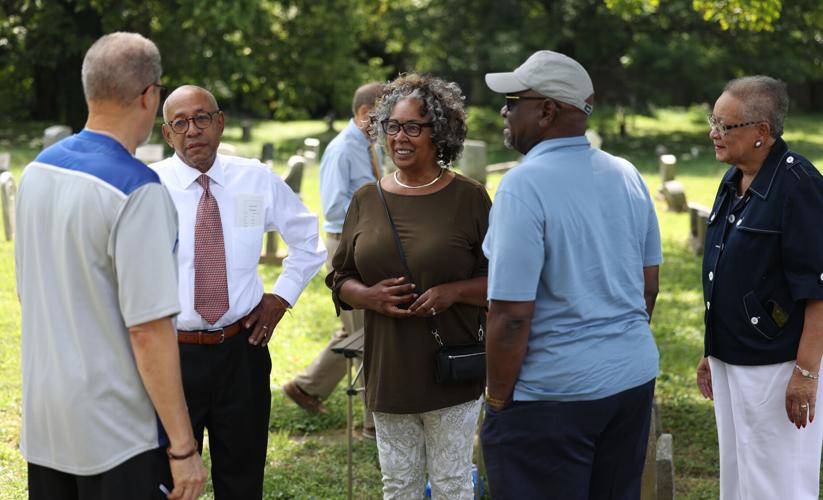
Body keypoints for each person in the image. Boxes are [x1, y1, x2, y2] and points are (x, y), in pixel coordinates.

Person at [14, 33, 207, 500]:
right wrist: (183, 448)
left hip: (46, 421)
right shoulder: (137, 189)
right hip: (119, 435)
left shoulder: (37, 172)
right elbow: (149, 330)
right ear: (150, 95)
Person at [480, 50, 662, 499]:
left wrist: (498, 400)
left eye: (513, 99)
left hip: (551, 399)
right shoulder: (626, 173)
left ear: (546, 111)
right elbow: (649, 285)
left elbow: (511, 315)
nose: (504, 110)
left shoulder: (523, 185)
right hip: (631, 382)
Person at [151, 85, 326, 499]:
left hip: (241, 353)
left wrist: (280, 298)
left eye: (201, 118)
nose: (193, 130)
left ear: (220, 122)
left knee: (243, 479)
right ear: (167, 134)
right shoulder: (150, 187)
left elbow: (307, 240)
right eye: (180, 123)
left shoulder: (255, 178)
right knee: (169, 483)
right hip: (172, 356)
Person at [327, 74, 490, 499]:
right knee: (398, 484)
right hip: (389, 367)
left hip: (451, 364)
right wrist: (367, 297)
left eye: (413, 127)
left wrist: (453, 292)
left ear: (441, 132)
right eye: (392, 127)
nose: (400, 137)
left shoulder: (470, 199)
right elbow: (339, 275)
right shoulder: (366, 199)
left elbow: (502, 283)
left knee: (452, 481)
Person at [695, 76, 823, 499]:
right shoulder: (733, 181)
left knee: (776, 483)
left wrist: (806, 373)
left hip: (777, 364)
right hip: (732, 358)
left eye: (724, 125)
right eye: (712, 121)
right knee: (738, 478)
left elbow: (817, 289)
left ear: (761, 133)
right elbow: (726, 275)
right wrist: (712, 350)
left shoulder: (798, 185)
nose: (713, 132)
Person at [283, 83, 383, 438]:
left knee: (353, 328)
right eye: (382, 115)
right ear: (363, 113)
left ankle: (307, 387)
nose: (389, 123)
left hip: (369, 242)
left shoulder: (372, 146)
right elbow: (336, 208)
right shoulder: (341, 150)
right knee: (369, 337)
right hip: (346, 246)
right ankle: (375, 424)